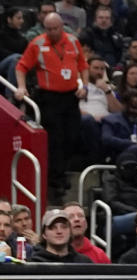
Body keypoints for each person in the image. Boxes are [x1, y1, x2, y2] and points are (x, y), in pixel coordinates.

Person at [15, 11, 88, 196]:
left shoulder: (72, 41)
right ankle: (56, 180)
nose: (52, 32)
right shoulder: (37, 43)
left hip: (70, 97)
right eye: (48, 29)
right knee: (55, 139)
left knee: (72, 137)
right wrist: (21, 88)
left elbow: (83, 66)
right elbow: (21, 67)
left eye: (55, 28)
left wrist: (85, 86)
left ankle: (61, 173)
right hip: (49, 98)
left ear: (62, 27)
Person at [29, 209, 93, 264]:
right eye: (53, 228)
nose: (59, 231)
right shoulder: (32, 263)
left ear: (70, 232)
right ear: (44, 234)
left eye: (64, 227)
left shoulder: (84, 263)